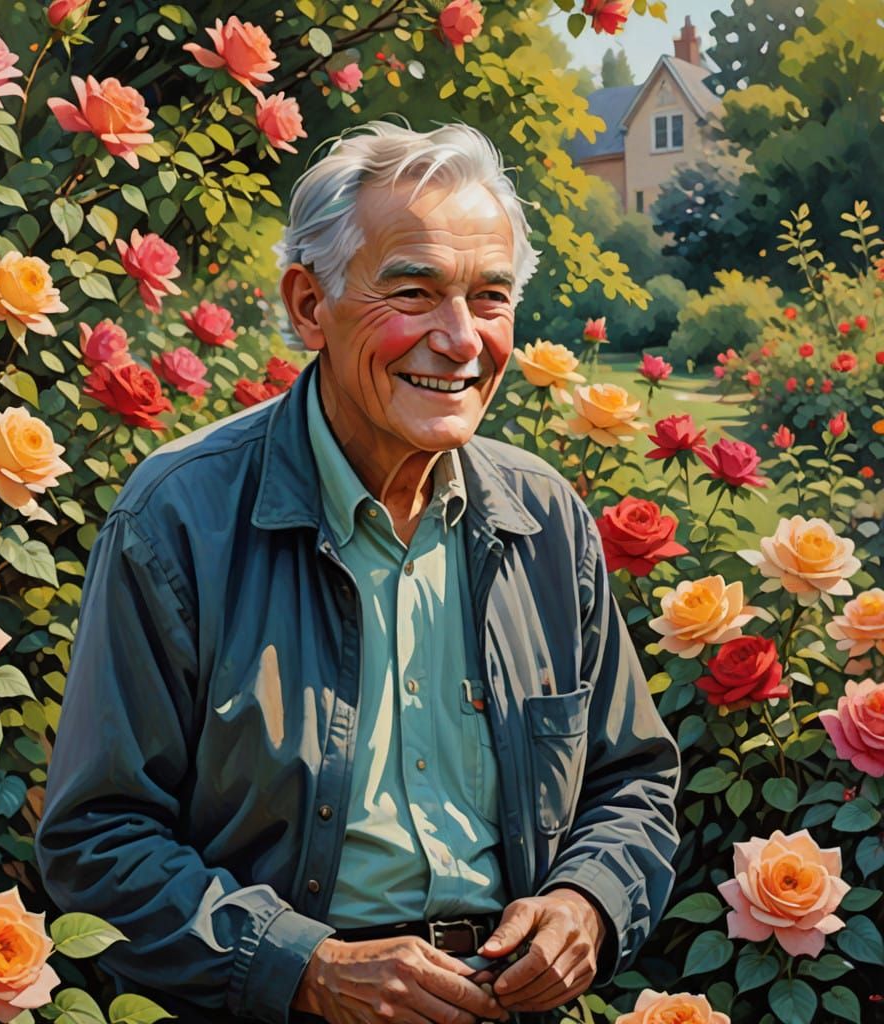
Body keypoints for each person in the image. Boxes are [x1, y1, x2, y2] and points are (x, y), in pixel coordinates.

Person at [35, 121, 681, 1024]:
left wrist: (589, 904)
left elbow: (634, 781)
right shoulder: (180, 517)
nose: (460, 339)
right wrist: (306, 969)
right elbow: (96, 840)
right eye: (413, 292)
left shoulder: (544, 518)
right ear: (309, 305)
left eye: (490, 298)